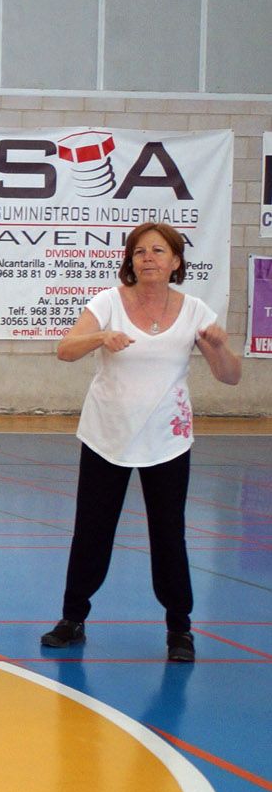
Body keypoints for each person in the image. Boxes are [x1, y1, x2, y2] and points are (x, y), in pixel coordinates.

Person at [41, 221, 241, 663]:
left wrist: (220, 347)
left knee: (169, 534)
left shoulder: (194, 311)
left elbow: (230, 376)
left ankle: (179, 629)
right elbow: (66, 349)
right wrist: (100, 336)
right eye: (139, 252)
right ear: (130, 262)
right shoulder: (107, 302)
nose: (148, 258)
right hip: (106, 435)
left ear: (175, 262)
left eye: (158, 251)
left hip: (166, 440)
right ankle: (73, 618)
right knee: (92, 531)